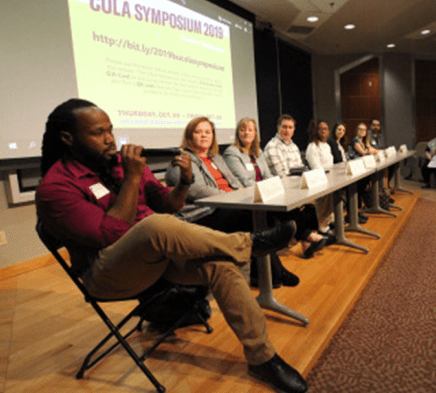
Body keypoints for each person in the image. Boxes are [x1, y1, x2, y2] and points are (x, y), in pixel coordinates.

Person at [35, 99, 308, 393]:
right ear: (68, 138)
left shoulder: (118, 164)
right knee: (152, 226)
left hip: (157, 257)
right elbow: (112, 235)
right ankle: (246, 244)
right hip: (107, 274)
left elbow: (168, 205)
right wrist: (132, 176)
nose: (110, 139)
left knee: (221, 265)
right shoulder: (55, 188)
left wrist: (185, 181)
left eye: (111, 130)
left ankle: (262, 358)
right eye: (98, 132)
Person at [165, 117, 299, 287]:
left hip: (227, 204)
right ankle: (273, 273)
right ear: (189, 136)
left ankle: (270, 272)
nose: (204, 136)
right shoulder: (182, 159)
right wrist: (227, 196)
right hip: (204, 213)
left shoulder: (215, 157)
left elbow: (233, 180)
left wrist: (238, 193)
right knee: (252, 220)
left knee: (262, 216)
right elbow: (194, 189)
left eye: (208, 132)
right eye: (198, 132)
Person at [224, 117, 329, 258]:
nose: (246, 133)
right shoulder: (232, 152)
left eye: (250, 130)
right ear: (238, 132)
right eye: (243, 130)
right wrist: (270, 188)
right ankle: (308, 236)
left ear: (255, 133)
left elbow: (267, 175)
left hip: (266, 191)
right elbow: (245, 181)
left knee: (304, 207)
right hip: (250, 196)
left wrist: (272, 188)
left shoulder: (257, 151)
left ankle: (307, 240)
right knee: (289, 208)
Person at [264, 114, 335, 256]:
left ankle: (307, 243)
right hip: (282, 189)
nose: (287, 130)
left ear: (294, 130)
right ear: (278, 128)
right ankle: (310, 237)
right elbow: (282, 175)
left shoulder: (294, 146)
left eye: (290, 127)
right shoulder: (272, 146)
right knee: (303, 208)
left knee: (310, 207)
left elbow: (300, 169)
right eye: (284, 127)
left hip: (294, 186)